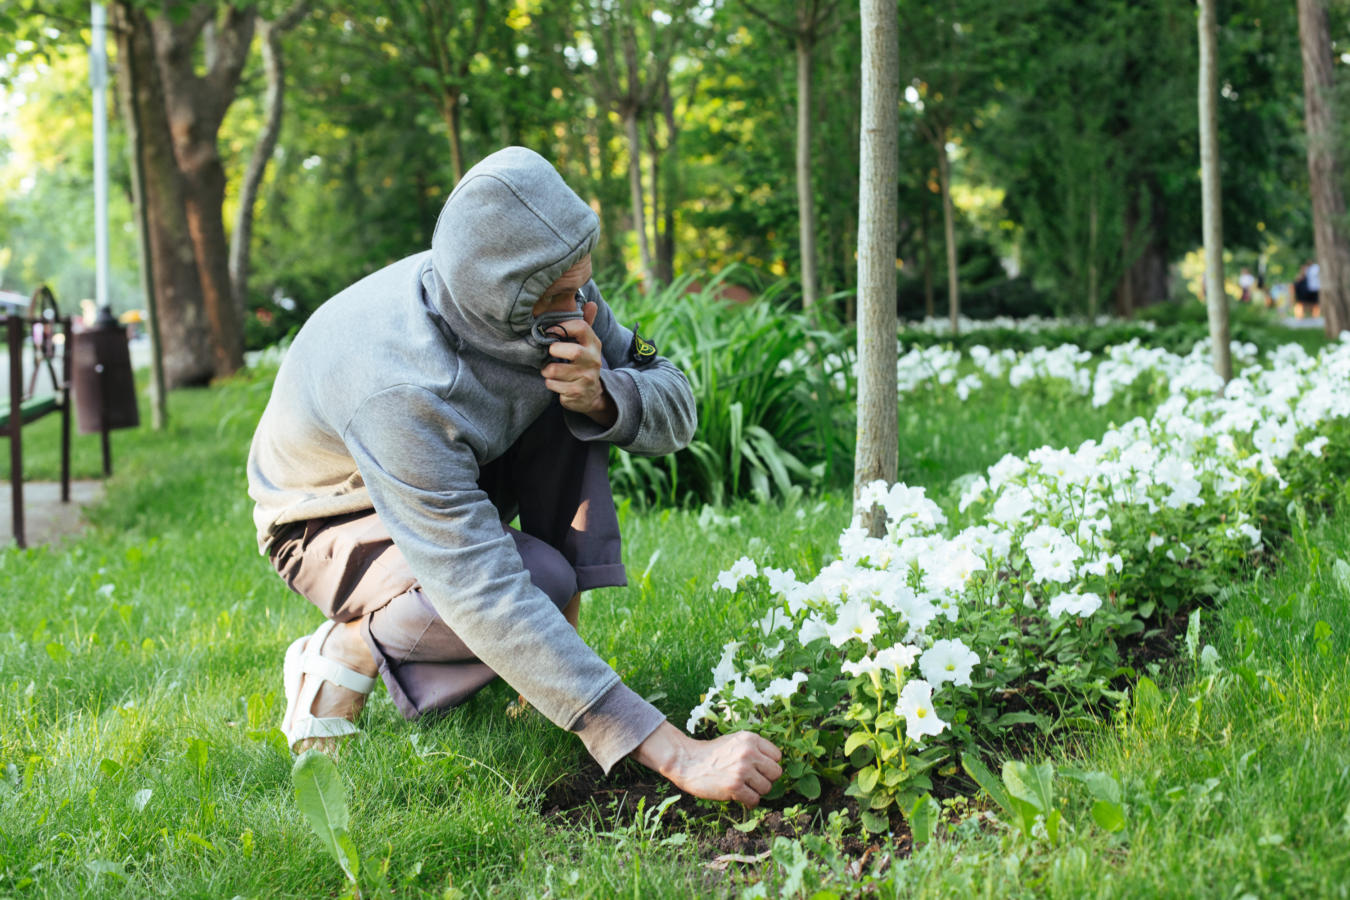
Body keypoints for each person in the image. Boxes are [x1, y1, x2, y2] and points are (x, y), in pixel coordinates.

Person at [246, 147, 782, 807]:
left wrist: (604, 395)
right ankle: (350, 649)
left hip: (454, 474)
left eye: (580, 285)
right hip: (327, 518)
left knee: (572, 397)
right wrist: (674, 751)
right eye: (558, 295)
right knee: (538, 583)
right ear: (495, 294)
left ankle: (551, 669)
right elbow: (480, 587)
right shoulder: (399, 386)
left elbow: (677, 410)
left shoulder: (556, 294)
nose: (578, 307)